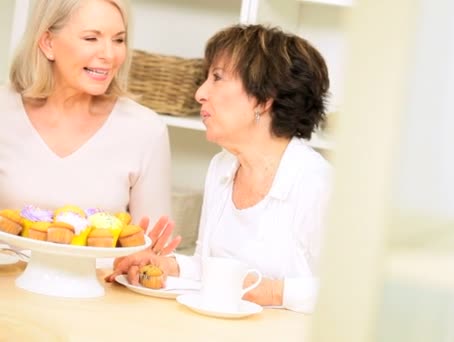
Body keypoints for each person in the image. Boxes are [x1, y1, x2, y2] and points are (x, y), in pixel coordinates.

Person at [107, 24, 332, 313]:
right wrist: (169, 266)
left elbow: (353, 293)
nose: (200, 93)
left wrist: (273, 291)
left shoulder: (316, 182)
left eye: (217, 78)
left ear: (264, 99)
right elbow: (209, 266)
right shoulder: (222, 166)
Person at [0, 0, 179, 252]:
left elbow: (155, 251)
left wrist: (154, 260)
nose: (109, 54)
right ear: (48, 43)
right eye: (91, 38)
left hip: (100, 289)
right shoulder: (3, 113)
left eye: (118, 40)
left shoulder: (146, 129)